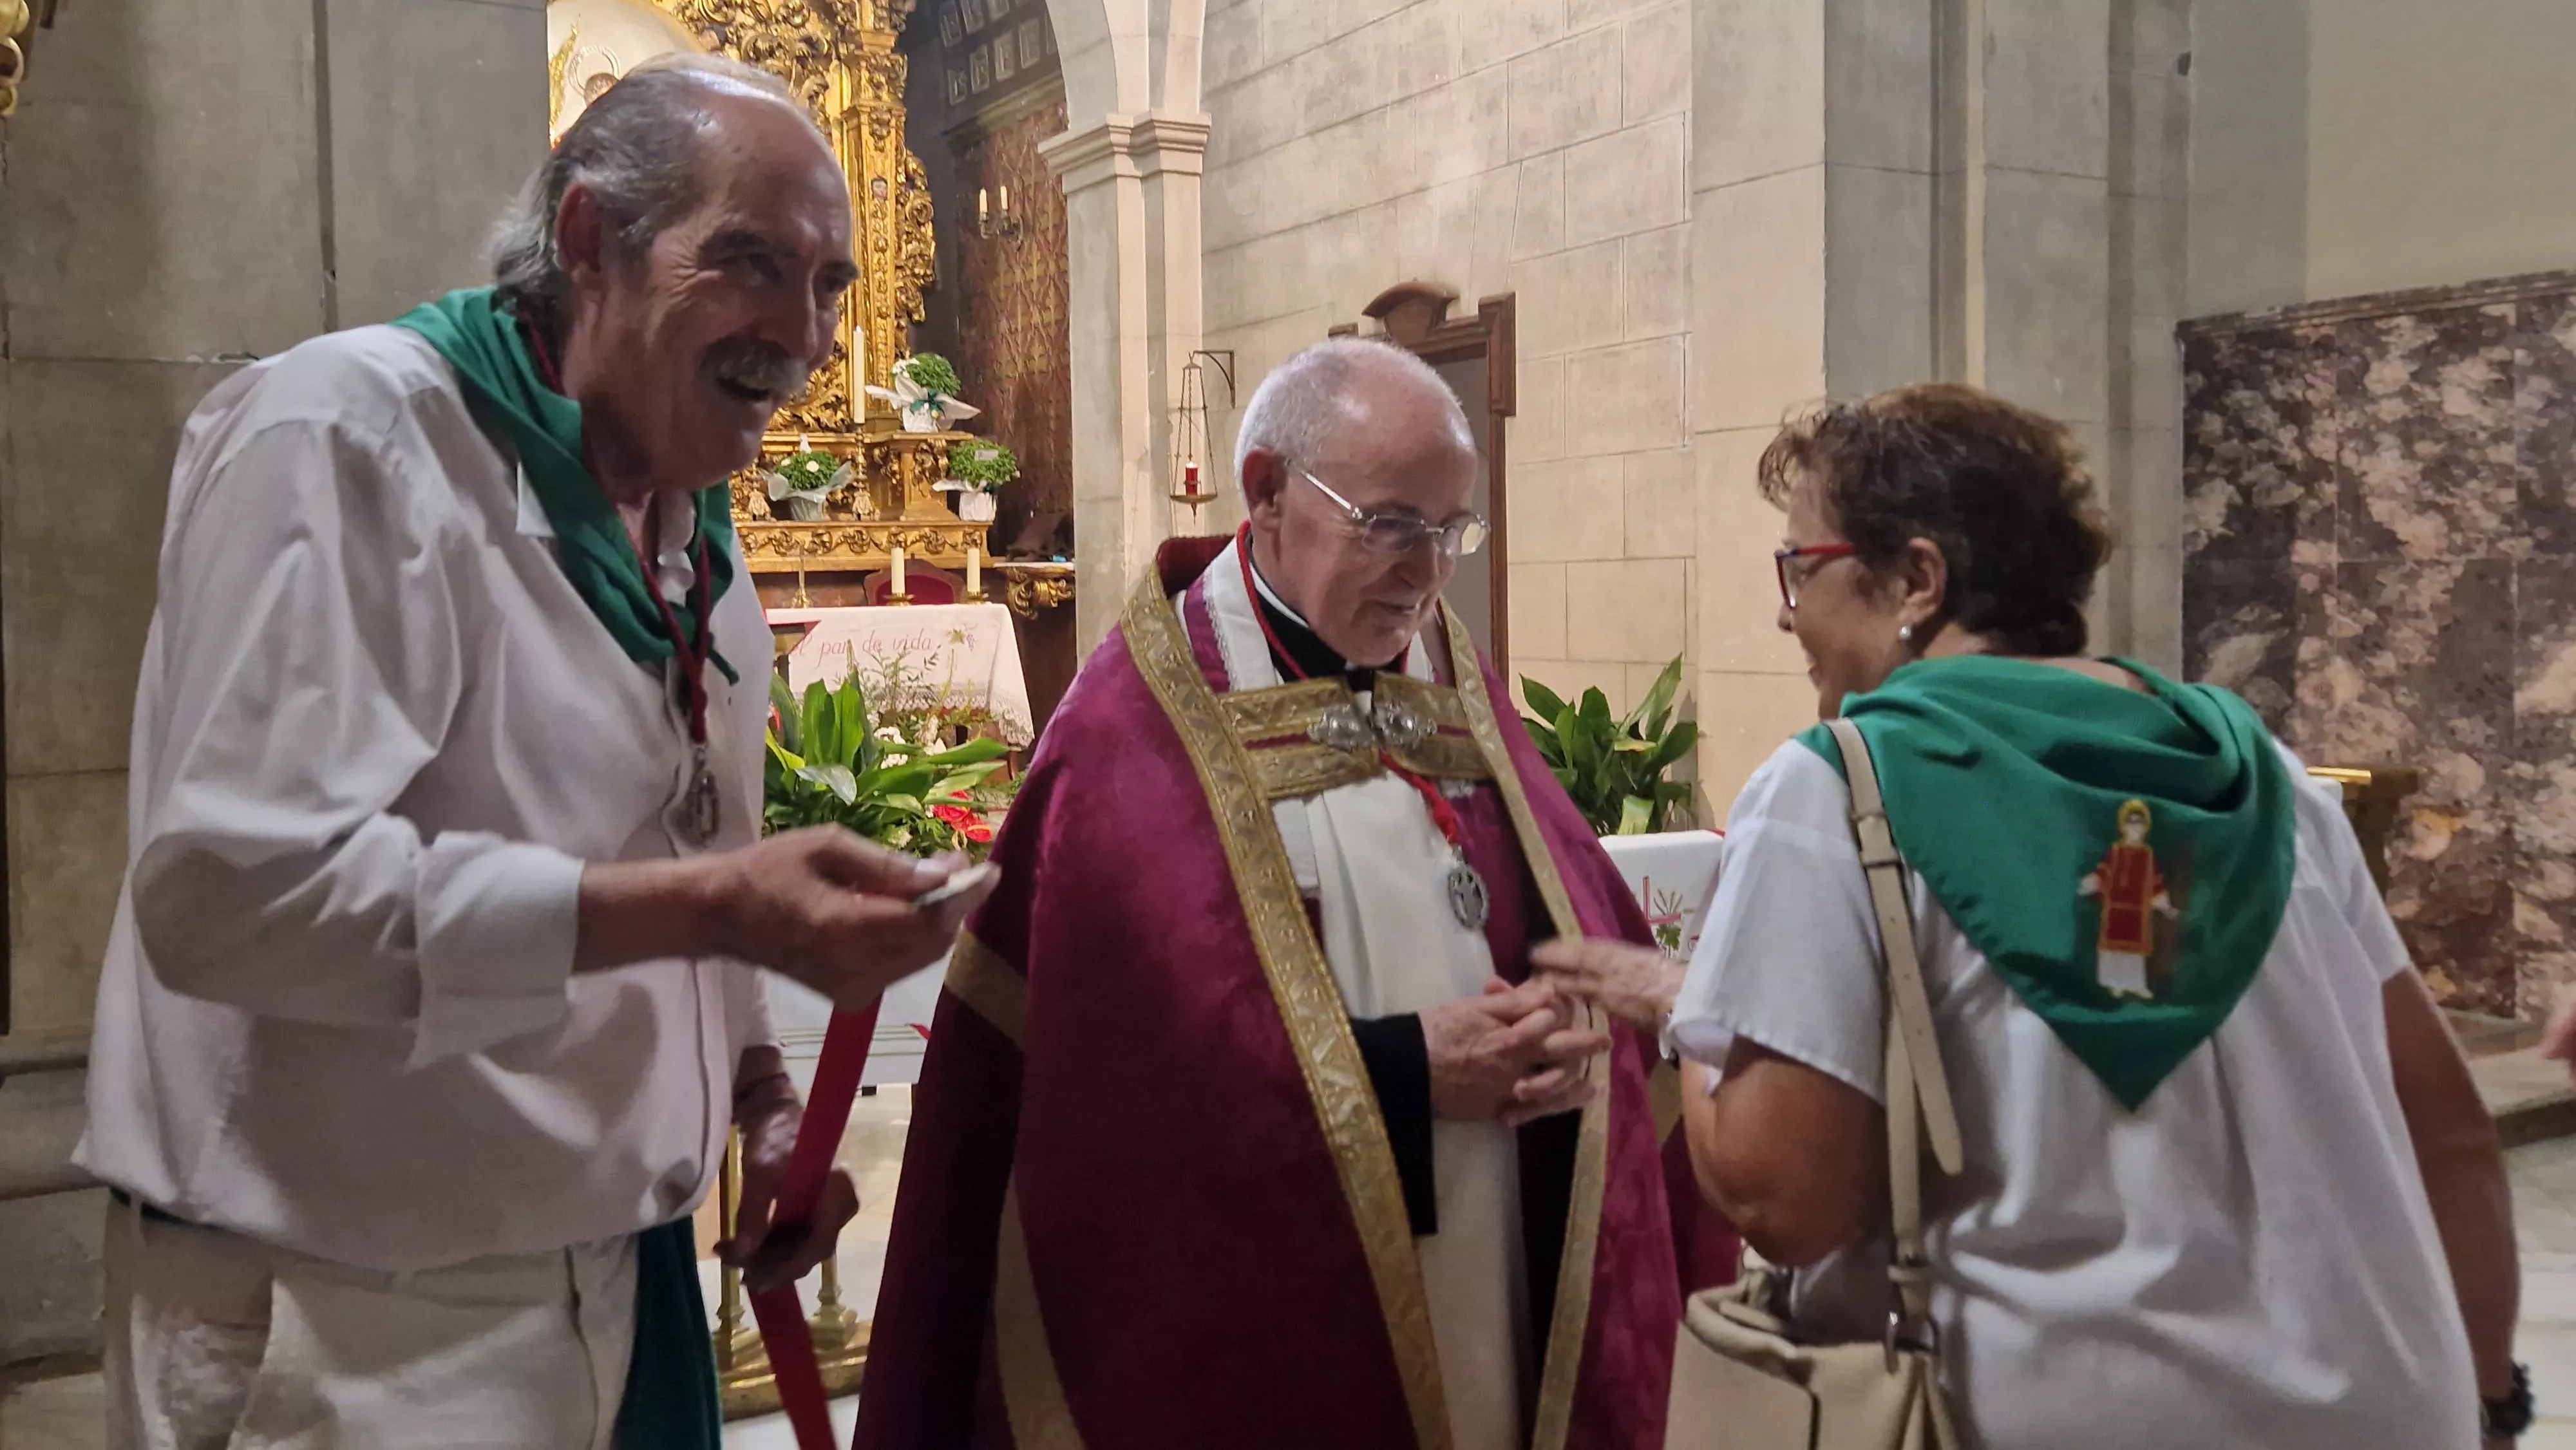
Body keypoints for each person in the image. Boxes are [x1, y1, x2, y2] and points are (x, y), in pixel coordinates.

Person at [77, 55, 994, 1450]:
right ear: (588, 243)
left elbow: (689, 849)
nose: (801, 335)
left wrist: (754, 1098)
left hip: (616, 1274)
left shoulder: (698, 539)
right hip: (351, 1321)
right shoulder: (350, 436)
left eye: (829, 287)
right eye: (747, 262)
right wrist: (713, 908)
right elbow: (229, 894)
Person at [1539, 384, 2526, 1449]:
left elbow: (1790, 1200)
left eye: (1802, 567)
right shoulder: (2269, 782)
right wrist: (2487, 1396)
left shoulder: (1839, 787)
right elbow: (2449, 1135)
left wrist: (1702, 1014)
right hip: (2378, 1406)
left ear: (1917, 578)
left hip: (2054, 1406)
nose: (1786, 611)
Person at [856, 339, 1695, 1449]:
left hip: (1494, 1233)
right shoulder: (1134, 733)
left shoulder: (1449, 674)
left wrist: (1566, 1019)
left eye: (1452, 532)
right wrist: (1398, 1076)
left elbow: (1562, 907)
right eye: (1392, 523)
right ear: (1265, 494)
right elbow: (1109, 1094)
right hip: (1261, 1314)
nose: (1428, 572)